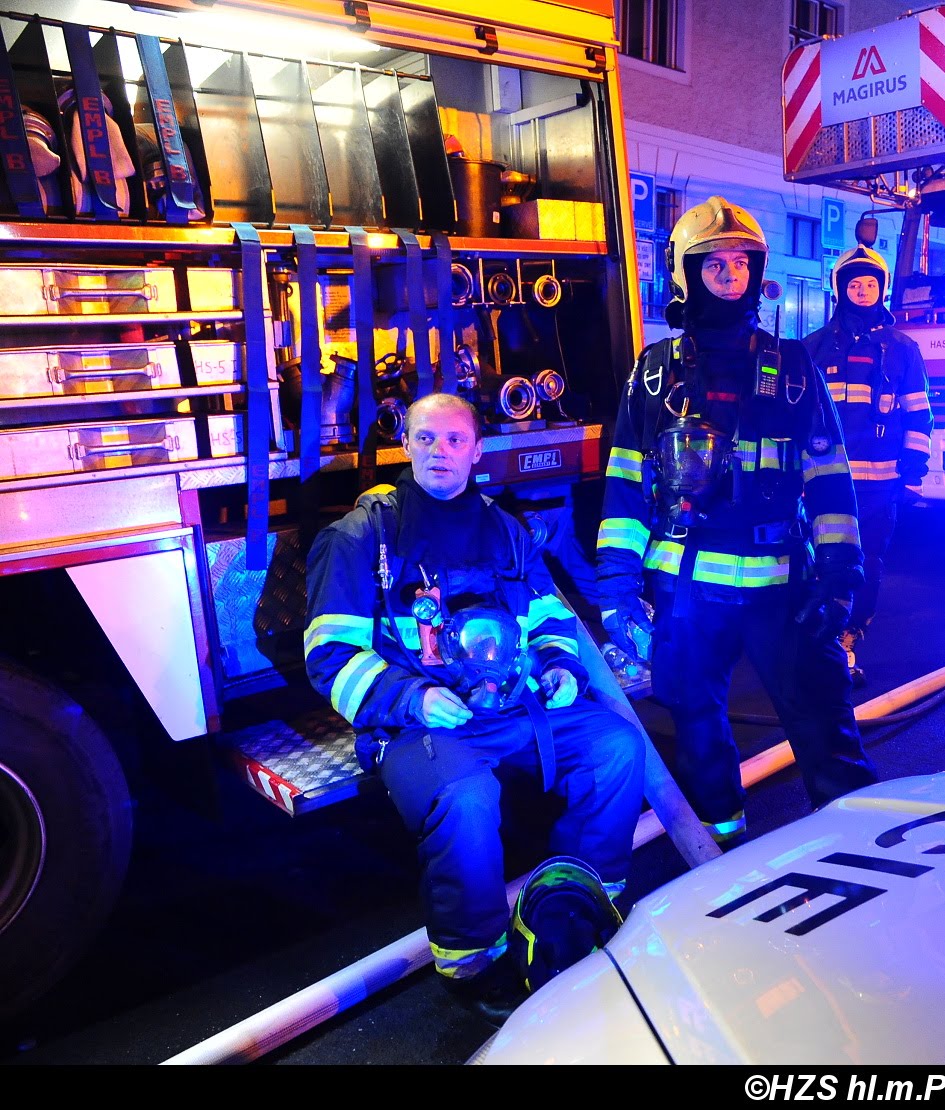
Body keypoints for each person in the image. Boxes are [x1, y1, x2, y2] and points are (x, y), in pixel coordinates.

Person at [302, 391, 645, 1026]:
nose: (441, 451)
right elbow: (329, 655)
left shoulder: (505, 531)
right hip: (418, 723)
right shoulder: (359, 537)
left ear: (477, 450)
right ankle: (473, 961)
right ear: (406, 446)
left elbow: (550, 619)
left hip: (513, 709)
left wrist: (559, 668)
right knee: (465, 794)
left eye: (455, 439)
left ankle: (583, 899)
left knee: (617, 747)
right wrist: (412, 696)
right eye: (426, 438)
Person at [595, 195, 878, 846]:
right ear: (687, 275)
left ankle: (861, 850)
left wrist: (841, 573)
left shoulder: (795, 368)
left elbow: (829, 478)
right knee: (697, 733)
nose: (729, 276)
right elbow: (626, 487)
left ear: (757, 272)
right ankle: (720, 854)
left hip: (785, 590)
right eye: (714, 265)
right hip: (687, 591)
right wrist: (616, 590)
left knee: (826, 729)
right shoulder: (654, 374)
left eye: (741, 264)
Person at [801, 242, 933, 685]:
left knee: (867, 562)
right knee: (819, 559)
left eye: (870, 285)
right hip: (824, 483)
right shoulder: (813, 347)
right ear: (839, 289)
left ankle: (848, 639)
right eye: (854, 284)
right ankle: (817, 639)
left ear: (882, 290)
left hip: (880, 484)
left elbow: (918, 415)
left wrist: (912, 476)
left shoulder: (903, 350)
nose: (861, 291)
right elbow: (797, 417)